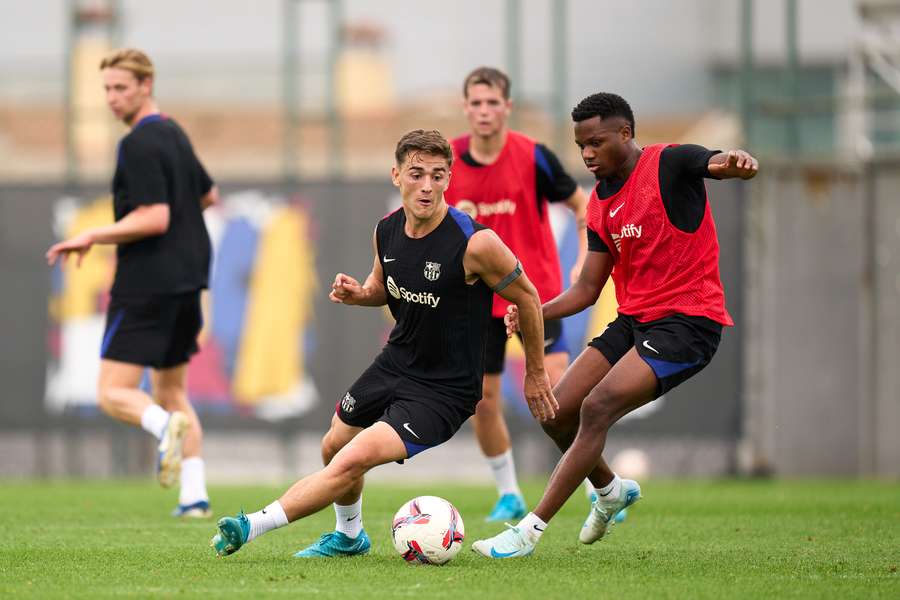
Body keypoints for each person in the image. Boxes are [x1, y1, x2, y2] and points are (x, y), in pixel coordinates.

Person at [210, 129, 557, 559]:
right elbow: (383, 285)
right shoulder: (386, 230)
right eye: (416, 174)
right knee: (333, 444)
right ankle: (350, 537)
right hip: (396, 363)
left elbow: (528, 296)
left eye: (438, 175)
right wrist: (361, 293)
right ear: (396, 175)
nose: (427, 186)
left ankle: (251, 525)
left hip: (445, 389)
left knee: (352, 458)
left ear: (450, 179)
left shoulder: (475, 243)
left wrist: (537, 372)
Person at [473, 92, 758, 558]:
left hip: (688, 322)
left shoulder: (670, 163)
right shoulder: (601, 207)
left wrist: (735, 161)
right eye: (581, 145)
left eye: (596, 142)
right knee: (555, 411)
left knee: (598, 405)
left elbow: (715, 162)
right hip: (634, 321)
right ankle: (610, 491)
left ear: (625, 134)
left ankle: (528, 531)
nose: (587, 154)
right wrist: (533, 310)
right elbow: (587, 288)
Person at [46, 48, 218, 518]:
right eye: (106, 88)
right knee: (172, 391)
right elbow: (209, 194)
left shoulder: (139, 143)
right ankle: (195, 497)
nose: (111, 97)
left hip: (148, 281)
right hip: (189, 279)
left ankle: (163, 428)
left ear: (146, 86)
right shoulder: (175, 134)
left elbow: (156, 216)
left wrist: (92, 235)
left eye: (120, 87)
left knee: (112, 392)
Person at [444, 67, 589, 521]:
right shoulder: (445, 160)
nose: (484, 111)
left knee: (560, 398)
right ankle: (509, 493)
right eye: (477, 103)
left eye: (493, 103)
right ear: (465, 107)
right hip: (476, 302)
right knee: (481, 400)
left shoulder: (533, 157)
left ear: (507, 108)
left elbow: (583, 209)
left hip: (535, 296)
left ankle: (593, 487)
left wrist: (584, 258)